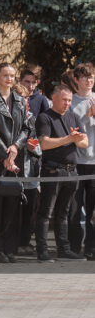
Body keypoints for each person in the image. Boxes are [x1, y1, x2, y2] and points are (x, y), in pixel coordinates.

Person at [0, 63, 30, 263]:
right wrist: (5, 154)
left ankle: (10, 248)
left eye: (12, 75)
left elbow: (26, 128)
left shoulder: (19, 100)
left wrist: (15, 147)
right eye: (5, 75)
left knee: (13, 202)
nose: (9, 79)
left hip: (15, 157)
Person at [36, 85, 89, 262]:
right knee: (46, 212)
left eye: (69, 100)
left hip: (71, 172)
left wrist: (77, 139)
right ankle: (42, 251)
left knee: (63, 213)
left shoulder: (73, 117)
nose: (67, 103)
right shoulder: (45, 117)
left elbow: (85, 143)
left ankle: (64, 250)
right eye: (64, 100)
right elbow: (44, 144)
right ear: (54, 98)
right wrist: (69, 138)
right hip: (52, 171)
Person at [68, 63, 95, 259]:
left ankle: (91, 248)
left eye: (91, 76)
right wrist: (87, 117)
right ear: (76, 80)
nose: (89, 80)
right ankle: (74, 247)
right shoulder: (70, 102)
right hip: (75, 162)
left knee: (93, 211)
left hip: (94, 164)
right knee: (74, 209)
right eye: (84, 76)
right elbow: (70, 131)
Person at [12, 83, 42, 256]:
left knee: (30, 207)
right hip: (13, 170)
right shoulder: (10, 117)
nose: (25, 101)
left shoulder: (31, 118)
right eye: (21, 97)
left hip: (29, 171)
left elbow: (39, 146)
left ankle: (25, 241)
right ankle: (13, 243)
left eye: (27, 98)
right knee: (14, 209)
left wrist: (33, 148)